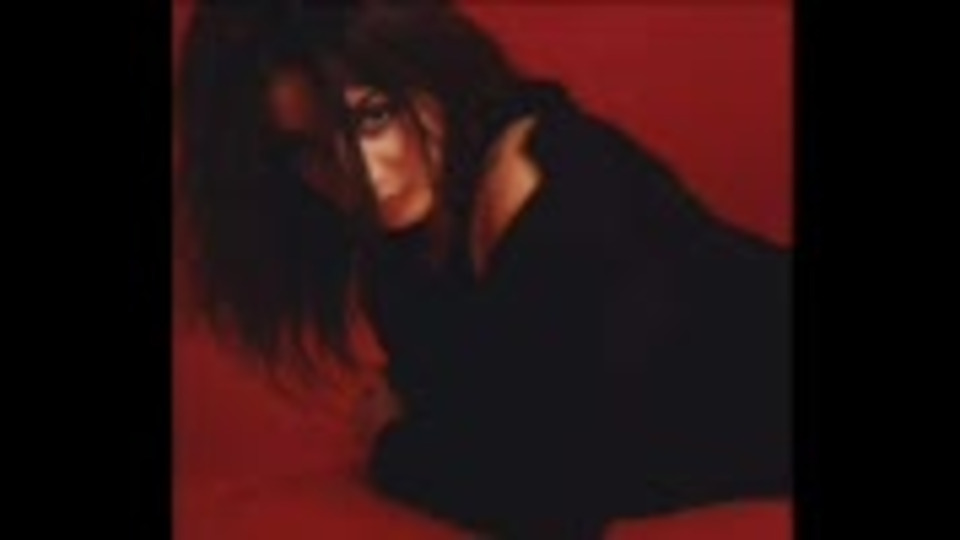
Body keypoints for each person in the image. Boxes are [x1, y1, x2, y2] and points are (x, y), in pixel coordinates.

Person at [178, 0, 791, 538]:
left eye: (373, 118)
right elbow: (483, 414)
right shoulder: (414, 223)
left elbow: (549, 501)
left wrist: (390, 445)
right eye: (307, 147)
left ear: (428, 68)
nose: (359, 173)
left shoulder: (555, 191)